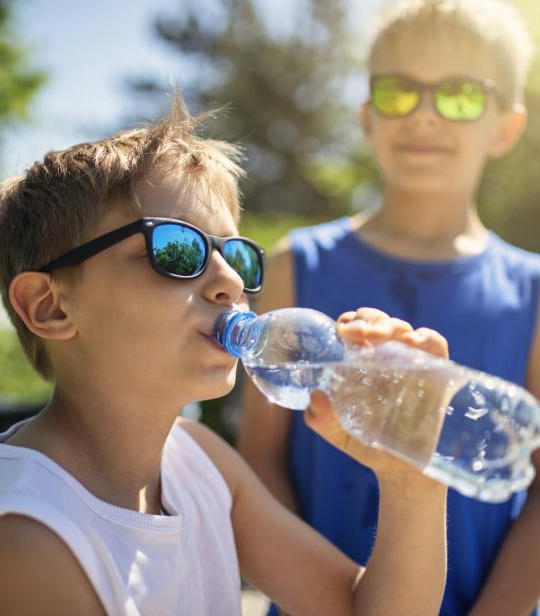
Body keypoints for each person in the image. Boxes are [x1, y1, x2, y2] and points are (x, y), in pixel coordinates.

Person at [0, 96, 449, 615]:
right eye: (178, 250)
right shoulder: (25, 542)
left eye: (236, 254)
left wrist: (412, 482)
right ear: (50, 307)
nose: (229, 281)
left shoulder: (199, 461)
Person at [239, 1, 540, 615]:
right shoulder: (300, 264)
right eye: (400, 91)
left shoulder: (533, 289)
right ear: (368, 117)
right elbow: (261, 459)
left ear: (507, 126)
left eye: (459, 95)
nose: (425, 114)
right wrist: (321, 599)